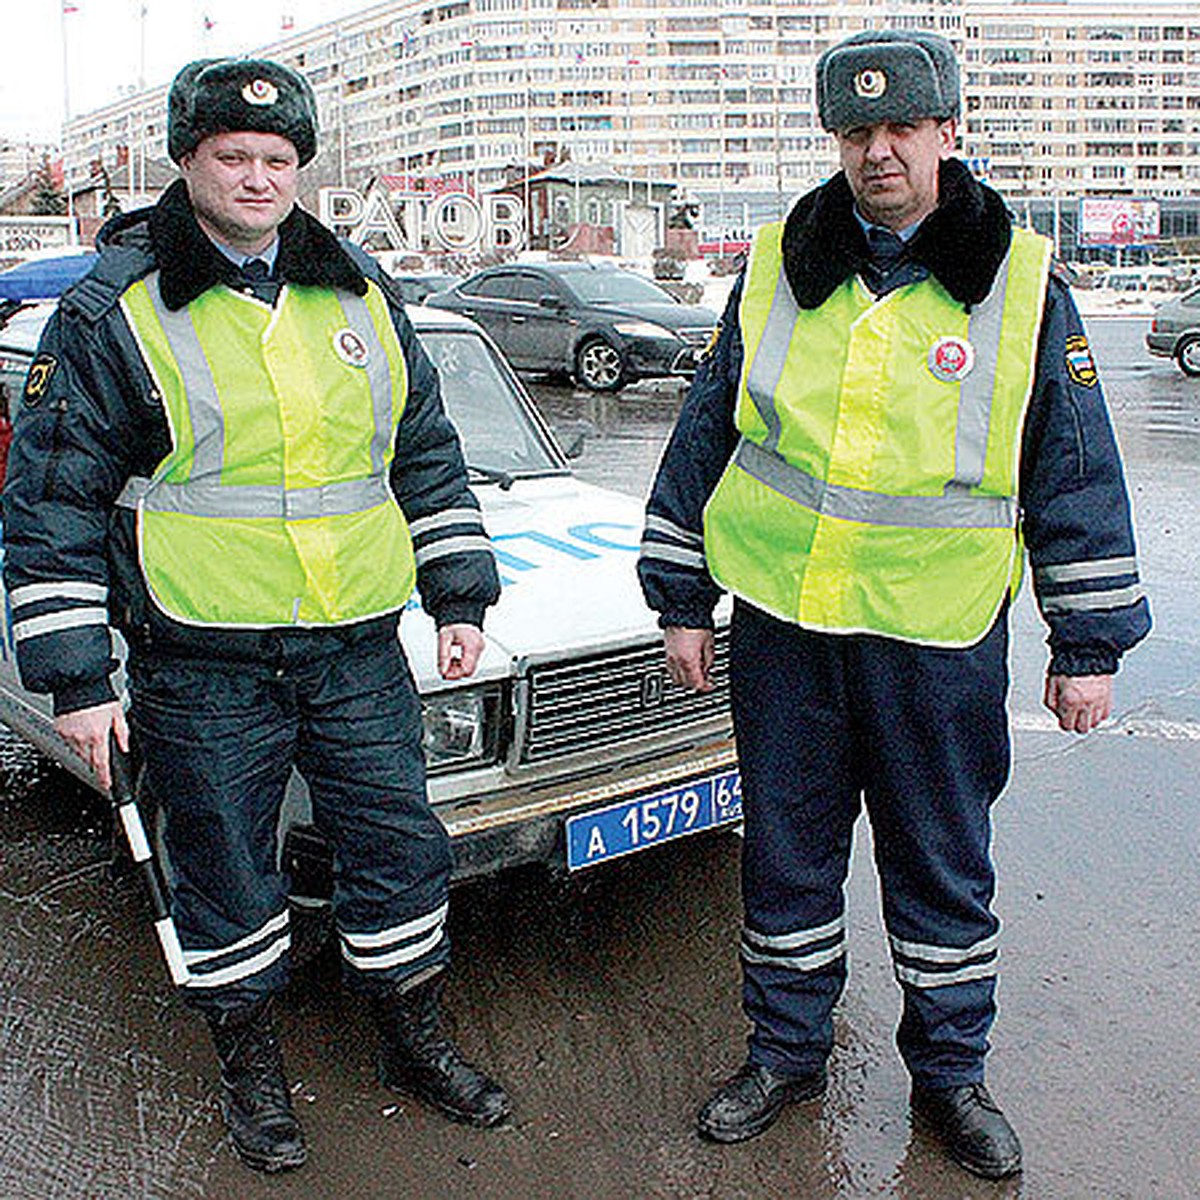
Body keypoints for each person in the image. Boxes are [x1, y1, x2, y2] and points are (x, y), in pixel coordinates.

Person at [638, 29, 1149, 1181]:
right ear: (835, 141)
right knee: (785, 859)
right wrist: (679, 594)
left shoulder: (1020, 281)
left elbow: (1075, 467)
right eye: (857, 132)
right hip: (786, 626)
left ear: (947, 133)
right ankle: (784, 1054)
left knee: (941, 868)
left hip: (936, 638)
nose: (878, 152)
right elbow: (707, 434)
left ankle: (952, 1078)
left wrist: (1090, 641)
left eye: (901, 129)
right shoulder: (777, 262)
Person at [2, 58, 510, 1174]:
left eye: (278, 160)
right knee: (226, 870)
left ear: (302, 170)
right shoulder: (112, 311)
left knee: (396, 849)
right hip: (201, 659)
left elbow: (421, 450)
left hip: (357, 647)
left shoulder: (358, 291)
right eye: (232, 156)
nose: (257, 177)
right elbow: (52, 504)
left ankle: (411, 1038)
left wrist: (457, 593)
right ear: (187, 161)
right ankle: (253, 1070)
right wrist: (79, 683)